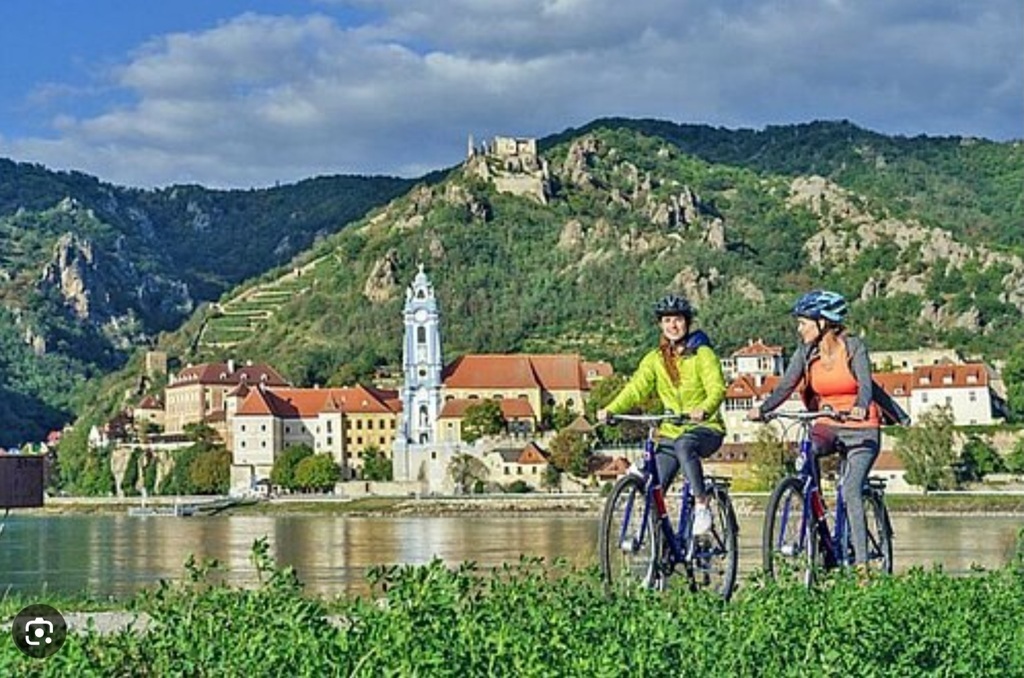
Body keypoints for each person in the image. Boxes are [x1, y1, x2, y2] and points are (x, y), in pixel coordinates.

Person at [747, 289, 905, 571]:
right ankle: (817, 521)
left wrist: (860, 405)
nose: (799, 328)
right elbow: (786, 385)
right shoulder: (805, 353)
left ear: (824, 323)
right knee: (806, 453)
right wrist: (764, 409)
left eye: (803, 322)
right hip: (828, 423)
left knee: (850, 489)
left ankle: (861, 567)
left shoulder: (854, 347)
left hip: (861, 428)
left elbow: (867, 384)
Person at [600, 294, 727, 535]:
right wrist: (612, 409)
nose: (673, 325)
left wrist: (704, 409)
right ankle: (663, 551)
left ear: (687, 323)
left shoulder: (703, 354)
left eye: (677, 319)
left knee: (684, 444)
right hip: (670, 432)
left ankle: (702, 505)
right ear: (661, 325)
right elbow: (635, 388)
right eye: (667, 320)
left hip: (706, 429)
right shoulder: (655, 359)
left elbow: (717, 388)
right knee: (653, 486)